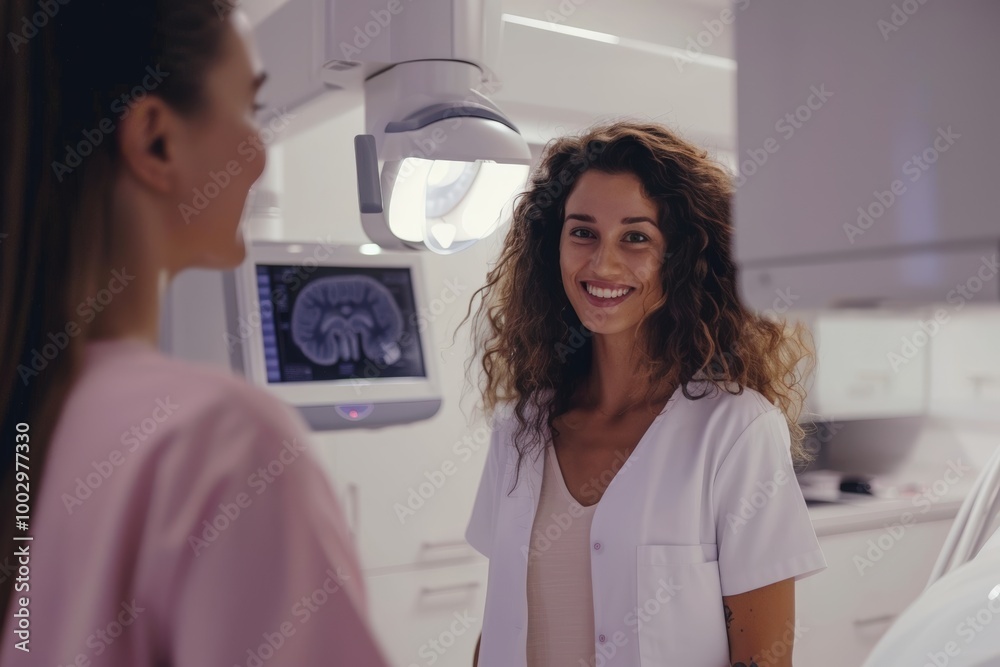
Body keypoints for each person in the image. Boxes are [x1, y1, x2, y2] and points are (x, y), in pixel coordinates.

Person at [0, 1, 389, 665]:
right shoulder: (223, 441)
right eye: (250, 109)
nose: (260, 155)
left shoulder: (35, 414)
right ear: (157, 141)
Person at [461, 121, 828, 666]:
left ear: (681, 257)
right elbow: (500, 622)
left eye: (636, 237)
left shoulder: (736, 430)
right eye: (582, 233)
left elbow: (763, 658)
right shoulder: (520, 427)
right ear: (552, 246)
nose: (602, 264)